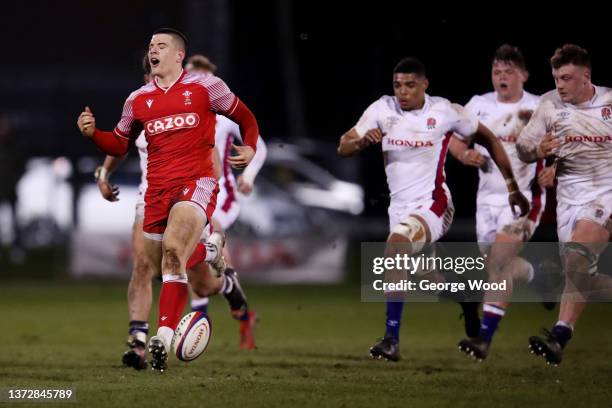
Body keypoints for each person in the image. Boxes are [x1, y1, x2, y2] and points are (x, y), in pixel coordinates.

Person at [78, 28, 259, 372]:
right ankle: (211, 252)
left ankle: (159, 336)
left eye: (160, 45)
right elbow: (119, 143)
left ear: (178, 55)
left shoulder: (205, 87)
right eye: (150, 46)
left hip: (196, 184)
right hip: (155, 193)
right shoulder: (138, 100)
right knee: (171, 266)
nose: (153, 50)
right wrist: (93, 135)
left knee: (174, 250)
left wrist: (250, 145)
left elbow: (246, 117)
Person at [337, 57, 530, 361]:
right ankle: (467, 299)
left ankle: (391, 339)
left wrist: (512, 186)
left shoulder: (444, 111)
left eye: (410, 85)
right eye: (397, 85)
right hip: (399, 210)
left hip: (434, 205)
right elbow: (344, 145)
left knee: (395, 248)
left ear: (424, 85)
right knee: (429, 281)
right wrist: (360, 143)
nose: (402, 91)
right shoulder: (382, 109)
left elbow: (489, 138)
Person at [449, 45, 552, 361]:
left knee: (498, 263)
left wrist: (554, 169)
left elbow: (567, 141)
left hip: (524, 197)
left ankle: (484, 339)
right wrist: (464, 154)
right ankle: (540, 276)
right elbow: (453, 139)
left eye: (508, 71)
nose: (501, 77)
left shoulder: (540, 106)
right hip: (487, 201)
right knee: (498, 267)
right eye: (497, 71)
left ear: (524, 75)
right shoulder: (478, 105)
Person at [517, 44, 612, 365]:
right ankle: (560, 333)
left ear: (586, 76)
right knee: (580, 274)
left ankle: (559, 335)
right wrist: (539, 150)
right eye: (556, 77)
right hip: (569, 201)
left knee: (576, 255)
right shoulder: (549, 105)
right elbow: (523, 147)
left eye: (567, 78)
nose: (560, 84)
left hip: (605, 195)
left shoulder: (610, 102)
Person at [184, 53, 268, 350]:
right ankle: (241, 313)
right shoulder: (178, 109)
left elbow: (260, 144)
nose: (198, 78)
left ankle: (207, 319)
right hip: (192, 194)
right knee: (209, 263)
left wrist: (249, 177)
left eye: (204, 73)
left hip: (222, 197)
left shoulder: (221, 113)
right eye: (194, 72)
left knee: (205, 240)